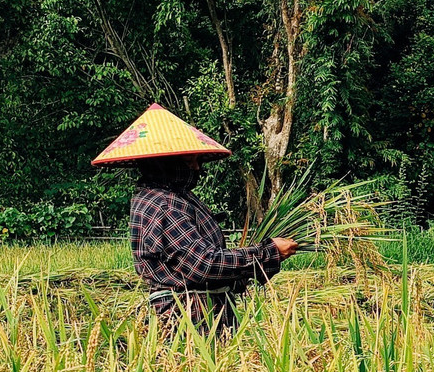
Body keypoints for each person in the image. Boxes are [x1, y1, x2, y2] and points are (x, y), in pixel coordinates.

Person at [91, 104, 299, 334]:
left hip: (204, 312)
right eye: (190, 161)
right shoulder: (165, 204)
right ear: (165, 162)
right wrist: (268, 252)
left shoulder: (173, 196)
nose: (198, 168)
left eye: (198, 161)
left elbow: (198, 263)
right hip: (189, 321)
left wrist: (245, 272)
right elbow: (204, 265)